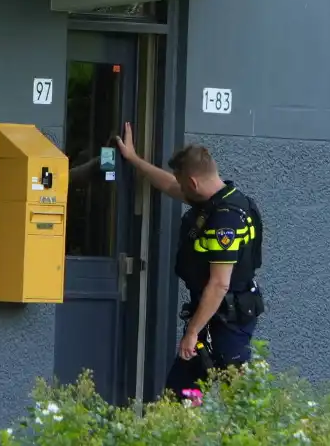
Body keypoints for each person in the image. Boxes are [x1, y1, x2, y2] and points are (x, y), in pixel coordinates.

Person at [113, 122, 265, 397]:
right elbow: (171, 185)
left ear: (194, 182)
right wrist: (134, 160)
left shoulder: (225, 220)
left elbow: (220, 284)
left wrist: (192, 332)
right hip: (210, 315)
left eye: (184, 185)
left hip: (227, 320)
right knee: (181, 393)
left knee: (239, 399)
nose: (180, 190)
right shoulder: (219, 200)